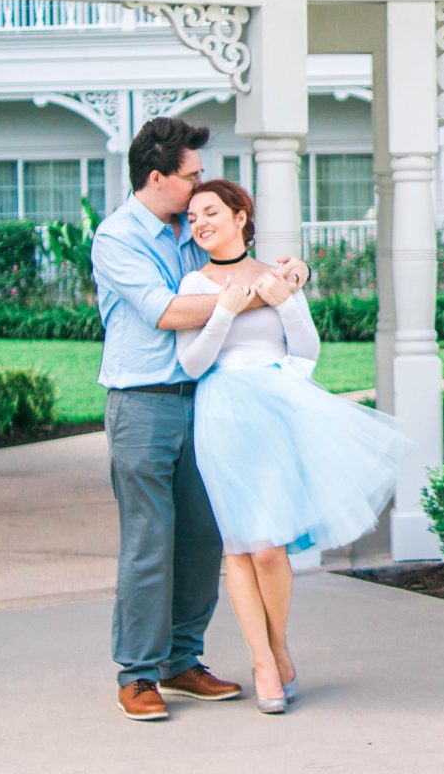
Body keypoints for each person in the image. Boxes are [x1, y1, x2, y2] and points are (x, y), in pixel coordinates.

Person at [92, 118, 311, 722]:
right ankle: (137, 673)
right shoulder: (117, 238)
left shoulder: (189, 228)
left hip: (207, 400)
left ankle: (182, 660)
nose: (198, 192)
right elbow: (166, 312)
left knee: (203, 536)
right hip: (143, 402)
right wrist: (254, 292)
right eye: (190, 178)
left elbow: (238, 259)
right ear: (157, 178)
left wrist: (292, 276)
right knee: (148, 539)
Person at [175, 180, 407, 715]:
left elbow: (305, 352)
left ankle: (279, 646)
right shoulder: (194, 283)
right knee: (238, 546)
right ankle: (263, 663)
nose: (200, 223)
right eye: (192, 217)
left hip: (275, 410)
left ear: (240, 216)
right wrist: (223, 312)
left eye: (210, 212)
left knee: (269, 548)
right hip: (221, 414)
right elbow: (191, 364)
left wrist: (288, 300)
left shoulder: (276, 275)